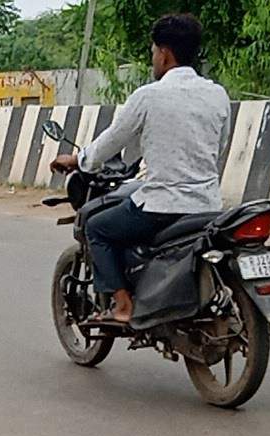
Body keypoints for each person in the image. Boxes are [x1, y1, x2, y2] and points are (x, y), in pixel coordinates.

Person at [50, 13, 229, 326]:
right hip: (208, 205)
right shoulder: (217, 94)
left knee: (97, 228)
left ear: (164, 54)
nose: (153, 58)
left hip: (162, 206)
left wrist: (78, 160)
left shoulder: (148, 96)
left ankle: (122, 305)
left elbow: (111, 141)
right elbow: (220, 145)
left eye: (153, 52)